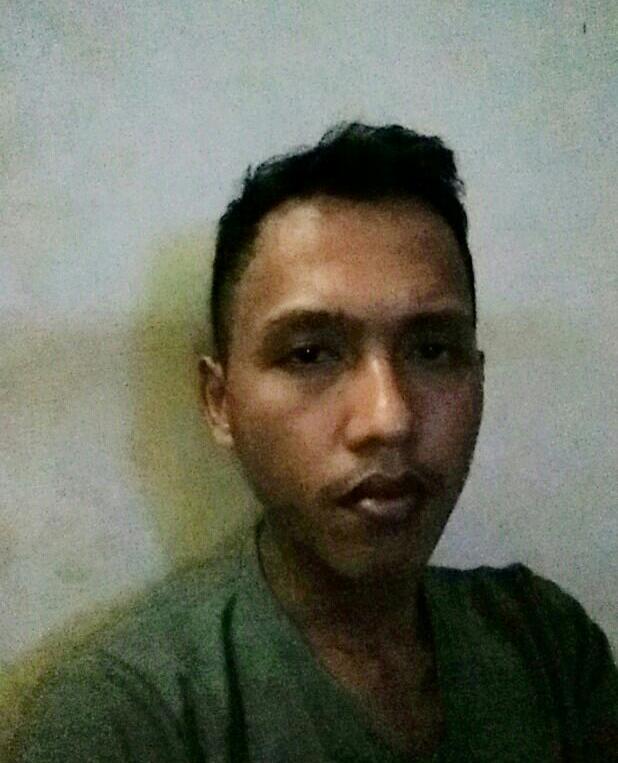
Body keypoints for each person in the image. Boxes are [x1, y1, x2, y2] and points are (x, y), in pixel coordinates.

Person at [10, 124, 617, 762]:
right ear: (220, 401)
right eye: (309, 354)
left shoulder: (547, 645)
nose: (389, 419)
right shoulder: (126, 721)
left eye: (434, 350)